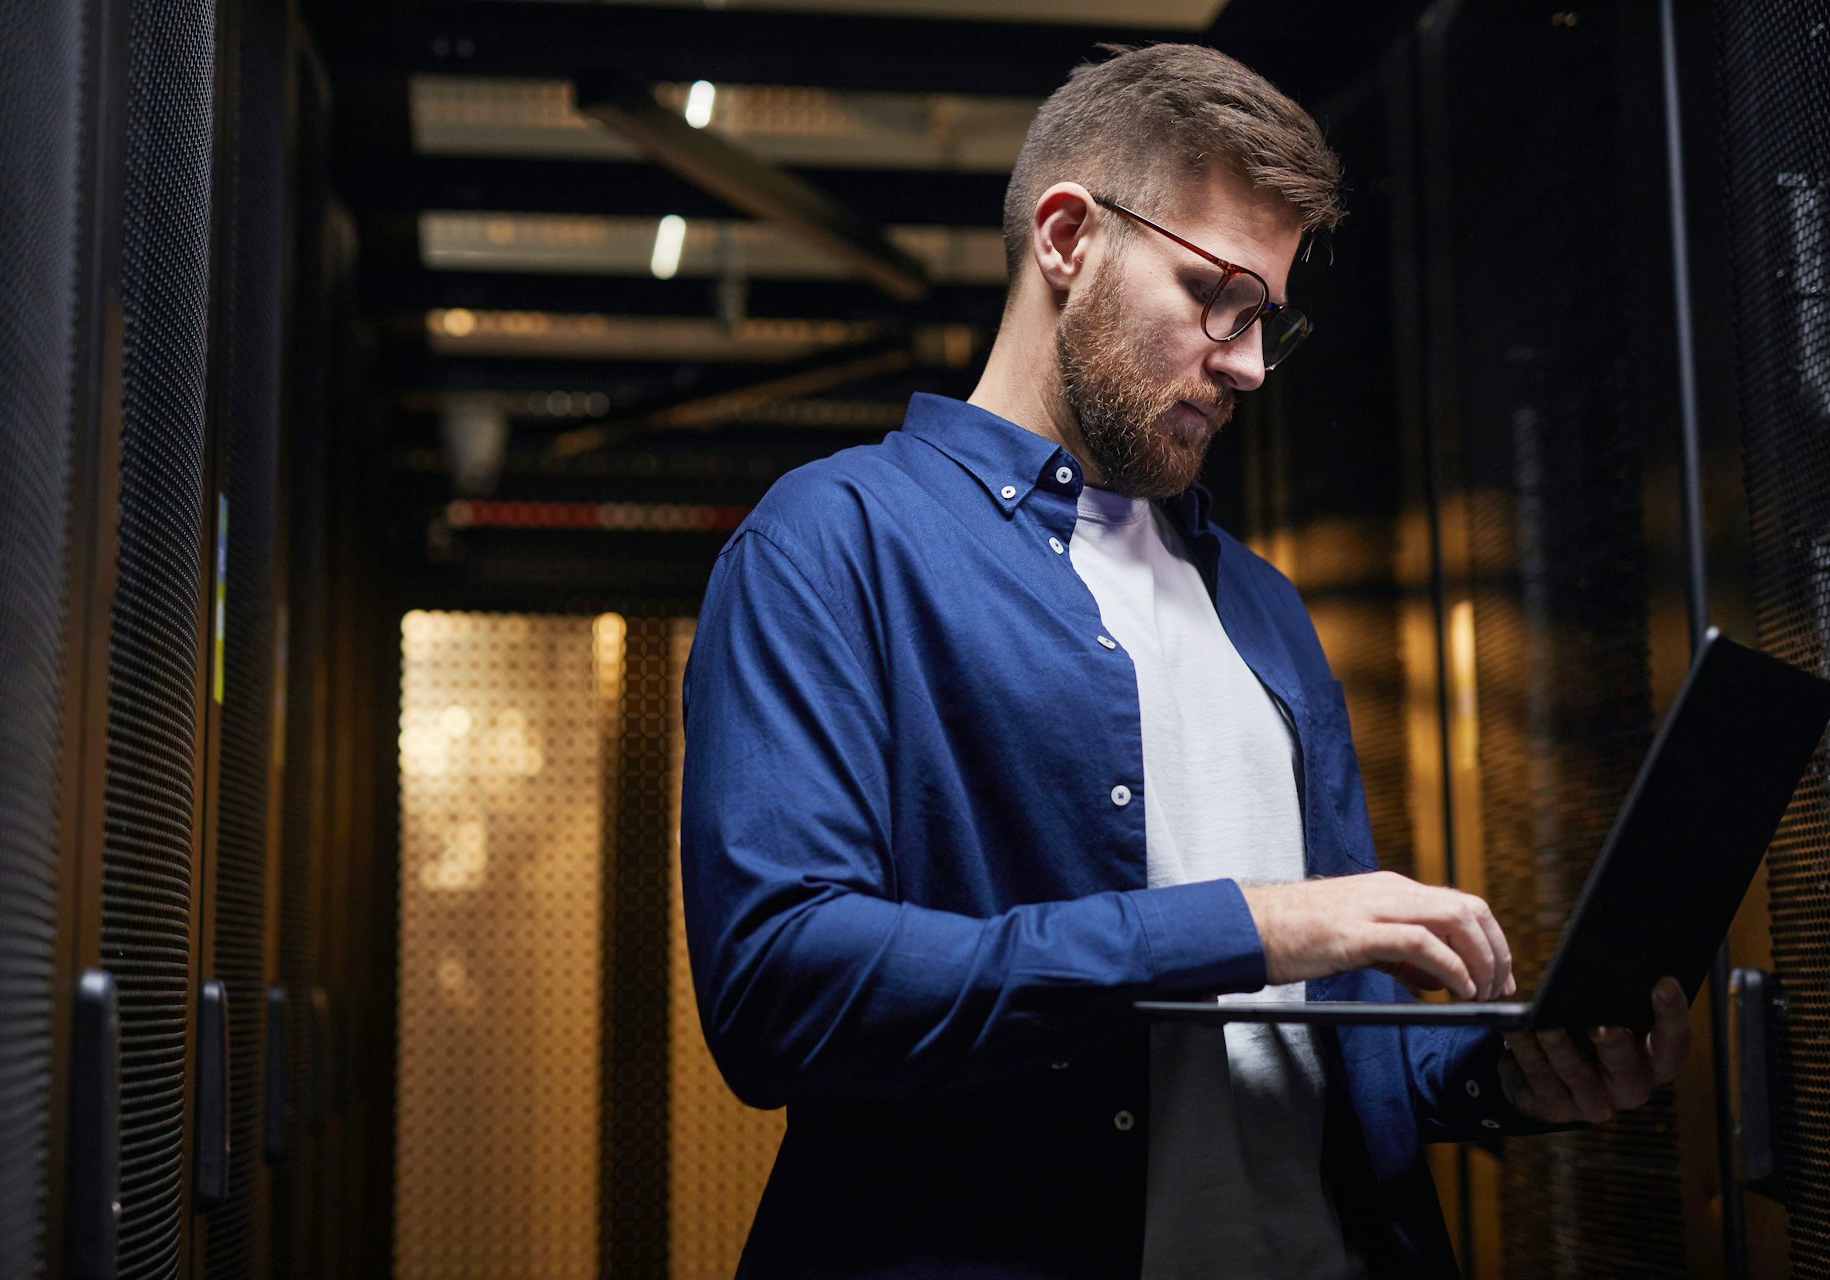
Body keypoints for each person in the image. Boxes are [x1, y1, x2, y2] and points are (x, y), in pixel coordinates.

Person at [679, 42, 1691, 1279]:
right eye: (1220, 296)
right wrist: (1251, 926)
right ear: (1067, 238)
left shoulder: (1263, 606)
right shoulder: (832, 539)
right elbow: (781, 987)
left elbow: (1336, 1049)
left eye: (1269, 315)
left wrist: (1510, 1074)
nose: (1250, 363)